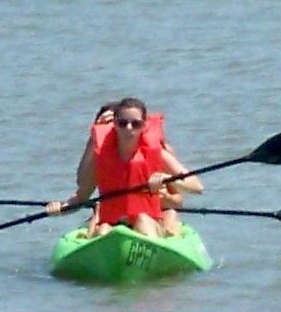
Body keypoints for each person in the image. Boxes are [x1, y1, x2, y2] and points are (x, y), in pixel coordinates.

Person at [70, 96, 198, 233]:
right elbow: (82, 192)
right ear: (115, 124)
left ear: (144, 126)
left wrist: (164, 179)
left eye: (135, 124)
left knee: (142, 220)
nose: (128, 128)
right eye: (122, 123)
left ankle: (155, 243)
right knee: (103, 228)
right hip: (114, 222)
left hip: (148, 220)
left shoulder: (156, 152)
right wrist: (60, 207)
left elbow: (195, 187)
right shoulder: (101, 155)